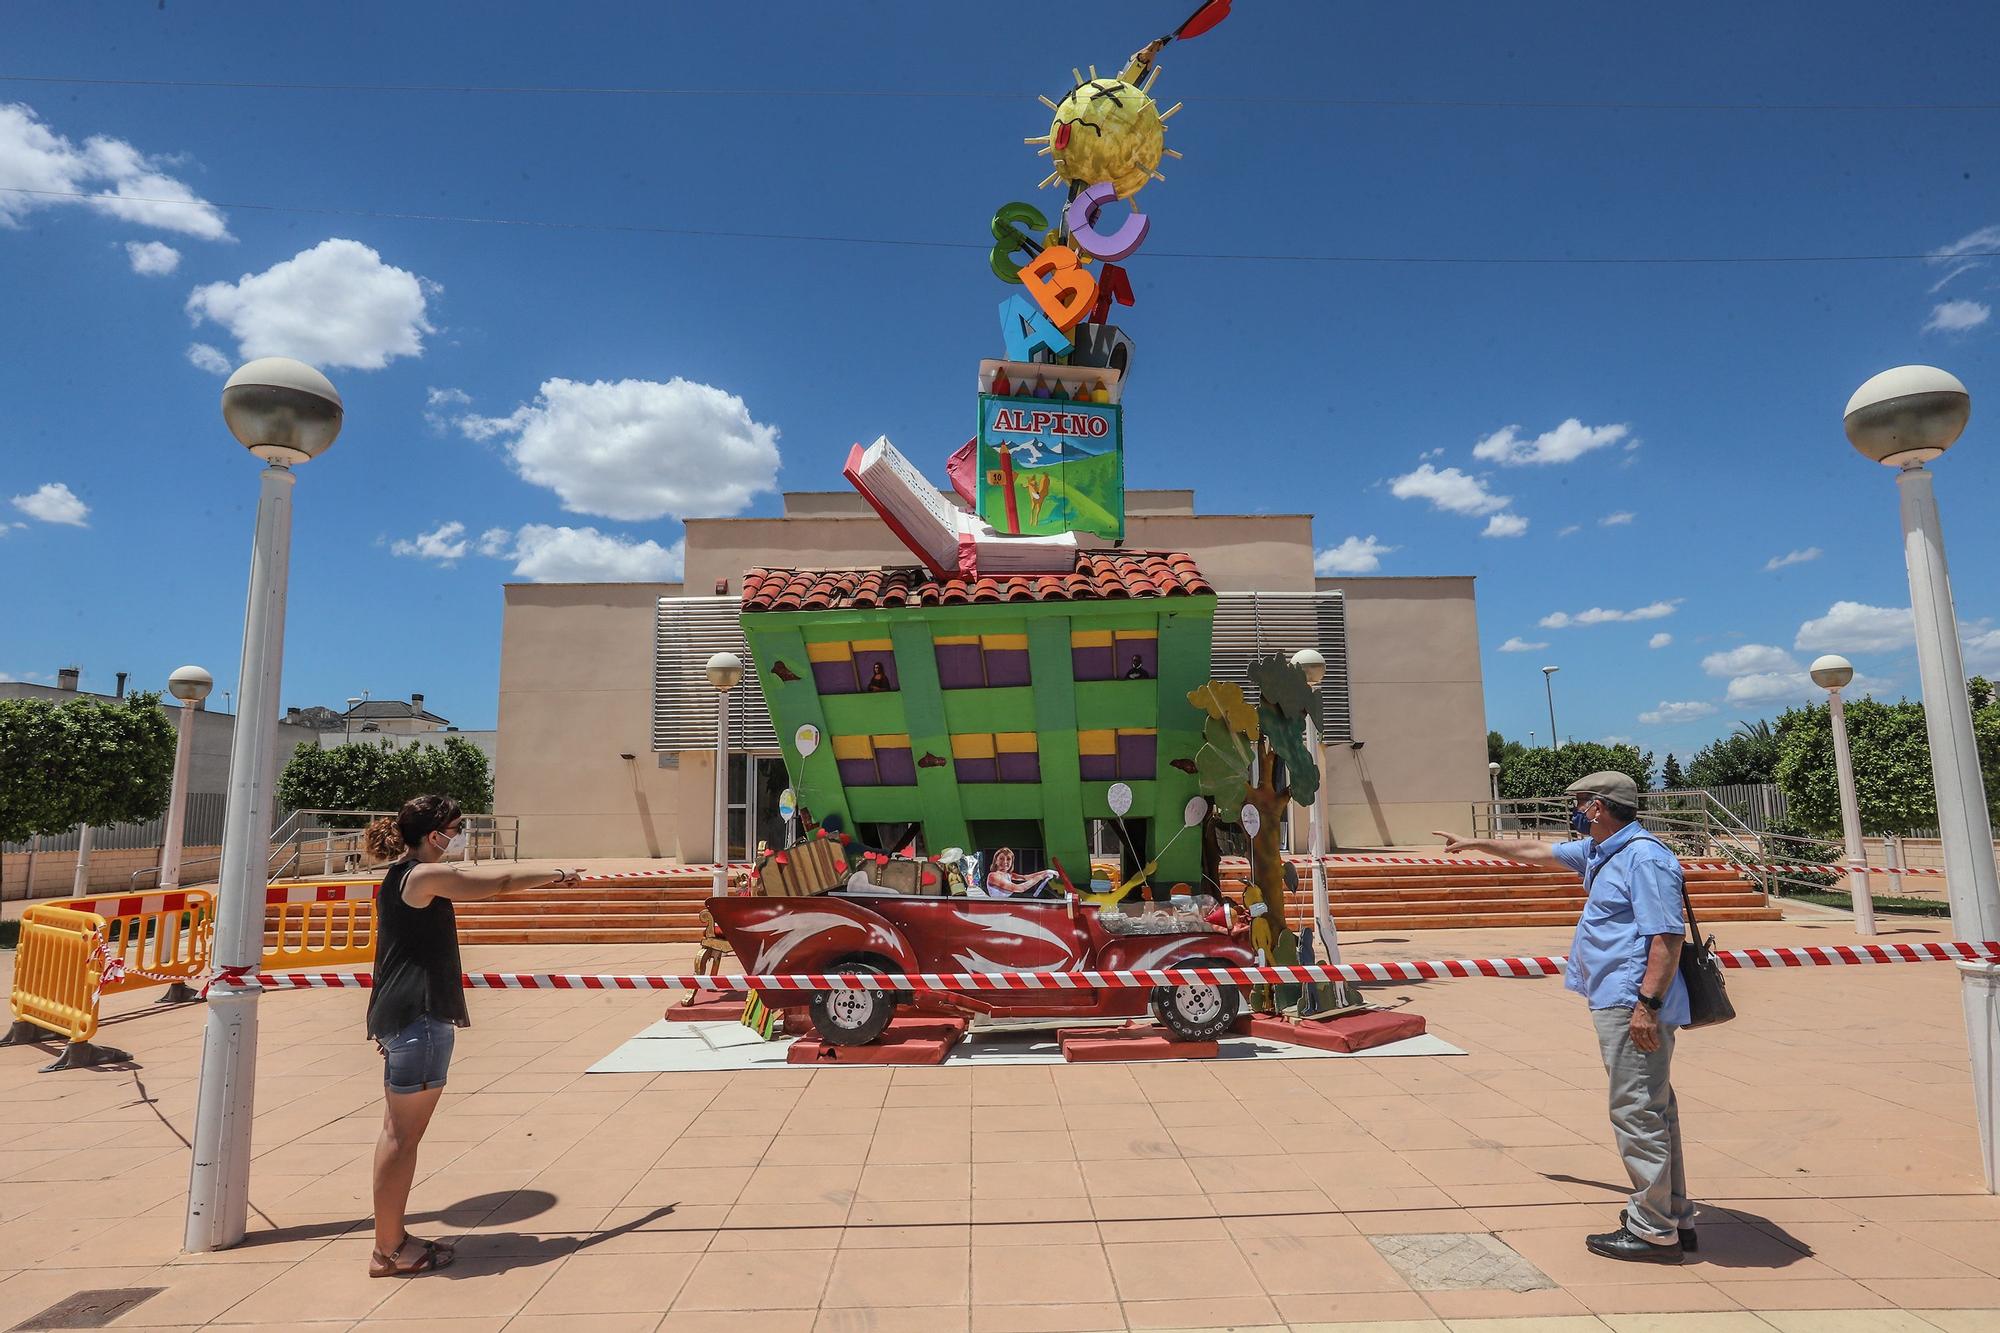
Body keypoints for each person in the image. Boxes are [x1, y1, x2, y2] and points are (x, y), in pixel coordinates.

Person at [1434, 771, 1695, 1264]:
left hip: (1632, 1002)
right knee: (1653, 1108)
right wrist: (1474, 842)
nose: (1571, 810)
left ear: (1598, 807)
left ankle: (1655, 1228)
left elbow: (1666, 936)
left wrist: (1647, 1006)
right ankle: (1671, 1213)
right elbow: (1533, 852)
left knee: (1637, 1110)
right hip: (1620, 999)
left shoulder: (1645, 858)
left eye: (1576, 803)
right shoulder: (1602, 850)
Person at [361, 795, 581, 1277]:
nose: (458, 836)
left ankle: (391, 1241)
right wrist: (559, 875)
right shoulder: (420, 875)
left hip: (405, 1017)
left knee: (397, 1134)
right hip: (418, 1018)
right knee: (402, 1138)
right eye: (455, 828)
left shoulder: (403, 874)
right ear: (434, 832)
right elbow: (498, 882)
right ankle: (389, 1249)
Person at [982, 846, 1059, 899]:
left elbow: (1026, 877)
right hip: (996, 908)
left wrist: (1047, 871)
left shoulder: (1008, 875)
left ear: (1012, 862)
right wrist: (1040, 877)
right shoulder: (993, 876)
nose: (1005, 862)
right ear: (996, 861)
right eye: (1001, 858)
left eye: (1008, 859)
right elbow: (1020, 888)